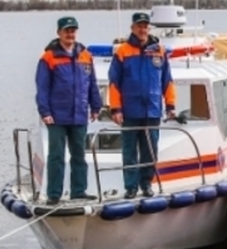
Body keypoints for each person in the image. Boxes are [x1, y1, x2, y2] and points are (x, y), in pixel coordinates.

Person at [35, 16, 102, 204]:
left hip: (79, 114)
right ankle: (54, 194)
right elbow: (42, 87)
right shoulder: (48, 57)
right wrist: (45, 111)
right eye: (66, 31)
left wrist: (96, 106)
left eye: (73, 30)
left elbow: (92, 84)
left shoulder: (85, 55)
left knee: (79, 155)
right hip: (57, 116)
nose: (70, 34)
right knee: (56, 156)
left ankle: (78, 191)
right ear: (59, 33)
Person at [108, 12, 175, 199]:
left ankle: (146, 184)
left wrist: (170, 105)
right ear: (132, 28)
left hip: (152, 110)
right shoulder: (122, 51)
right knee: (129, 151)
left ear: (149, 28)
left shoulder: (159, 51)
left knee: (150, 150)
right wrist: (116, 109)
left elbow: (167, 81)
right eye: (139, 26)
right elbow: (114, 83)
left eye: (145, 26)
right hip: (130, 111)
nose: (142, 29)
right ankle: (130, 187)